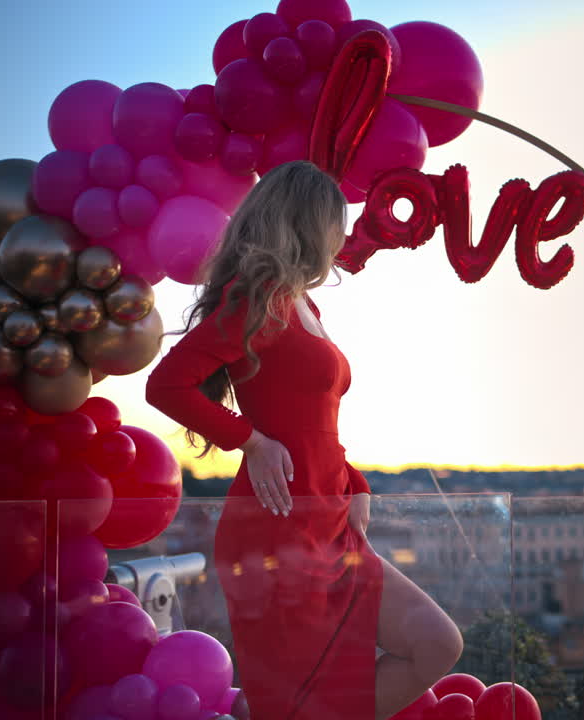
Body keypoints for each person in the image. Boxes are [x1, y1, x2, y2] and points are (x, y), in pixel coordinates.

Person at [146, 161, 463, 720]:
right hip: (277, 526)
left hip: (330, 519)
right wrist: (250, 441)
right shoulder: (256, 302)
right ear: (309, 223)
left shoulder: (305, 306)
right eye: (335, 223)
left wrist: (357, 483)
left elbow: (319, 422)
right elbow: (165, 385)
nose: (341, 236)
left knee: (437, 643)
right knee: (293, 699)